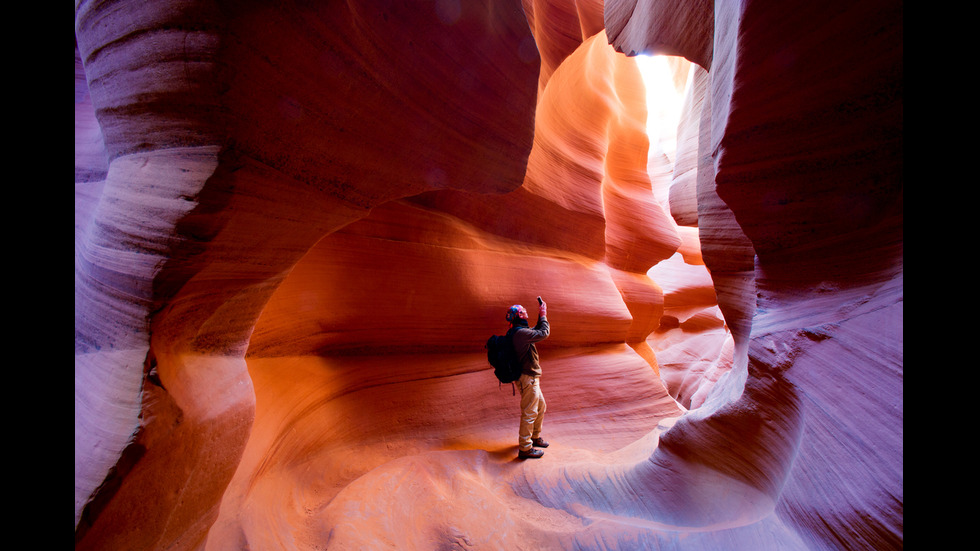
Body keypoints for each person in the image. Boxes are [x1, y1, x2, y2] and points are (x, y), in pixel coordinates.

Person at [506, 298, 550, 459]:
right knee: (530, 411)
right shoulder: (520, 333)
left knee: (540, 407)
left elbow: (535, 331)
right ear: (519, 315)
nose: (526, 311)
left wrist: (540, 316)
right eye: (523, 310)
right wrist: (544, 315)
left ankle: (534, 437)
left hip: (529, 377)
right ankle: (525, 448)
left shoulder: (518, 331)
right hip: (528, 378)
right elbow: (543, 333)